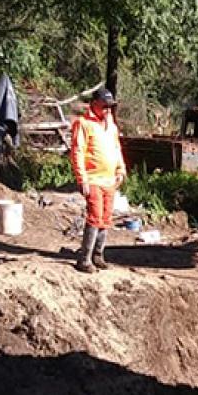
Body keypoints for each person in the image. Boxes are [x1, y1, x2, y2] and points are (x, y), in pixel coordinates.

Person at [69, 87, 126, 273]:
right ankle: (84, 259)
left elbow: (117, 149)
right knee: (95, 216)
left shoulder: (111, 126)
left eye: (110, 107)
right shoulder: (83, 124)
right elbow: (77, 151)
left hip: (109, 180)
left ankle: (98, 255)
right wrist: (82, 178)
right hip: (93, 178)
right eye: (105, 106)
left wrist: (121, 169)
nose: (108, 110)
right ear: (94, 104)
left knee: (106, 217)